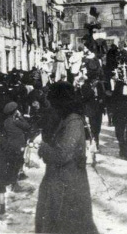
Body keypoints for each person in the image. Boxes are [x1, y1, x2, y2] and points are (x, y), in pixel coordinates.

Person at [35, 82, 98, 234]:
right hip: (63, 180)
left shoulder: (73, 121)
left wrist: (43, 147)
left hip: (69, 182)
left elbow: (63, 154)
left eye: (52, 100)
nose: (50, 104)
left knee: (69, 223)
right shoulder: (66, 118)